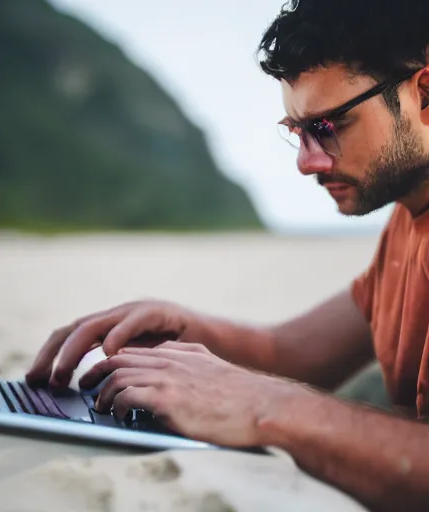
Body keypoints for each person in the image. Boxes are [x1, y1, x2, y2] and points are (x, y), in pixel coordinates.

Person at [26, 0, 429, 509]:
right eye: (297, 132)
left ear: (424, 93)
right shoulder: (407, 221)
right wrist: (182, 327)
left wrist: (265, 404)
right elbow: (296, 353)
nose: (307, 162)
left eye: (329, 127)